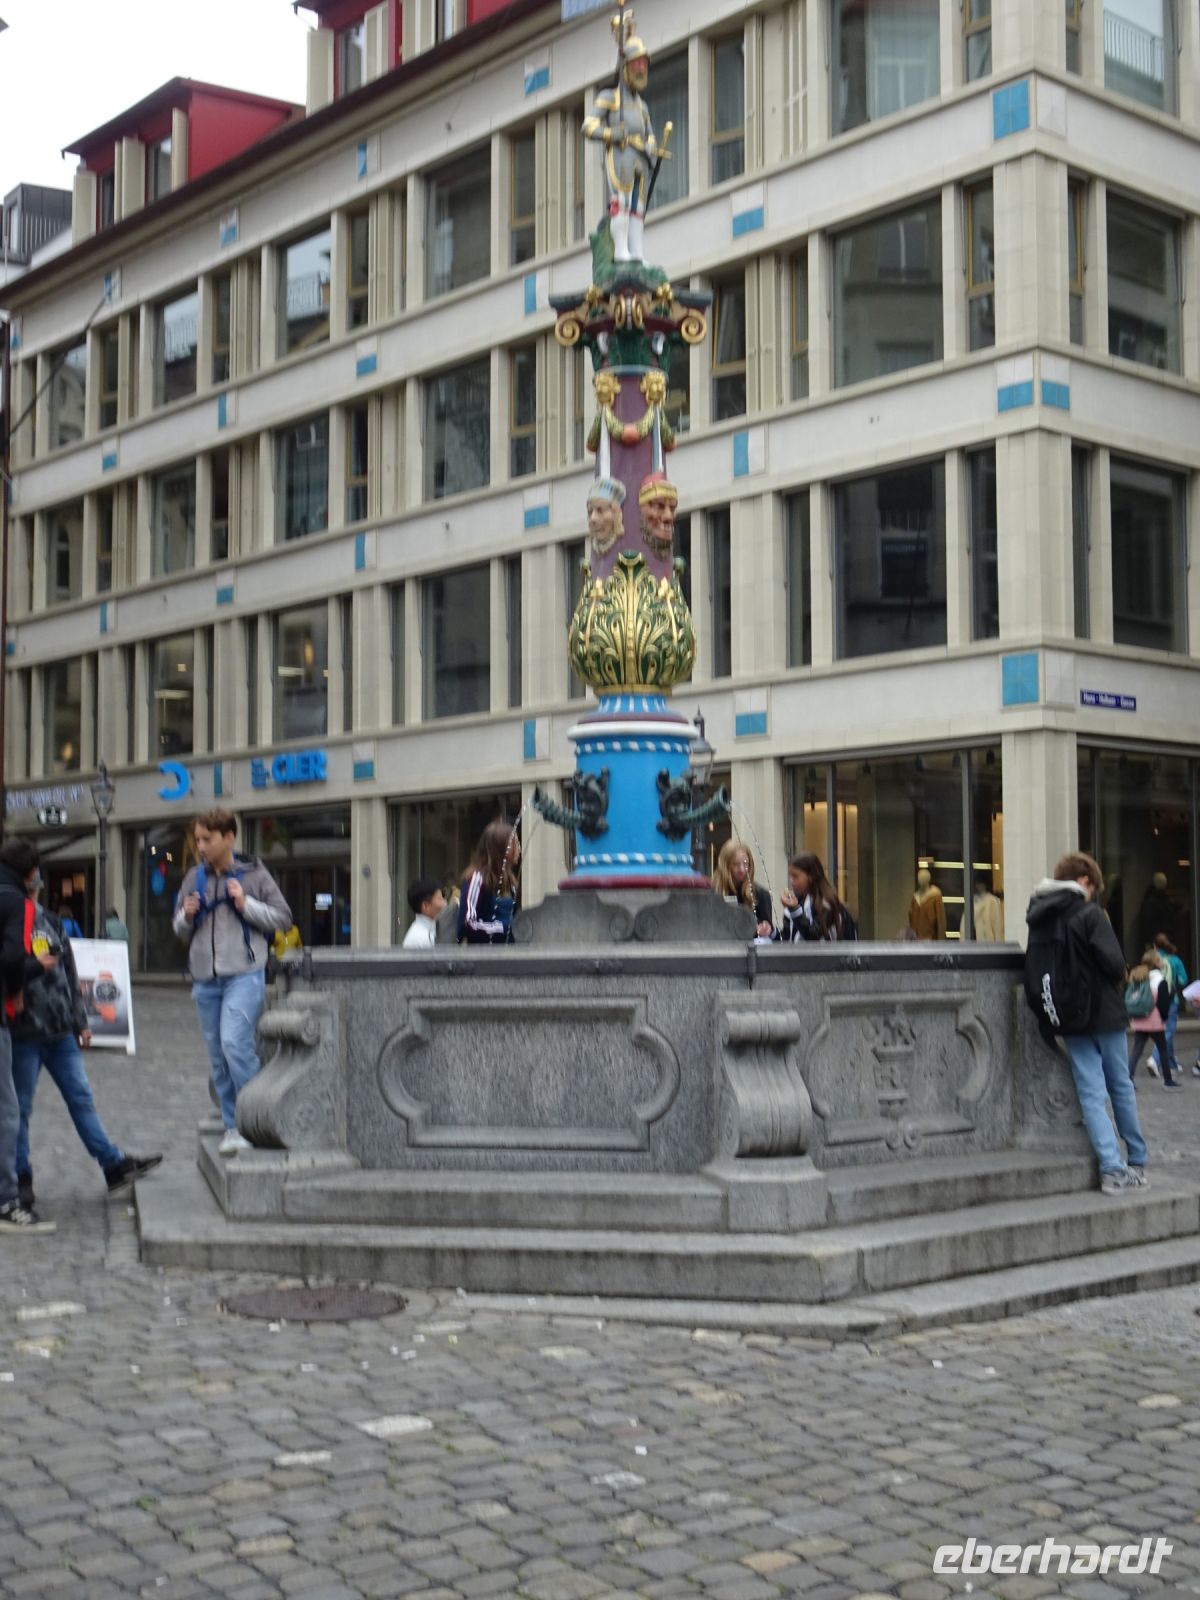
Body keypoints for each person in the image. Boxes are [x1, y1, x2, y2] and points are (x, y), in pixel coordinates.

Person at [11, 874, 161, 1205]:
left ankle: (113, 1165)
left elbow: (70, 973)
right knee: (19, 1109)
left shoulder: (51, 920)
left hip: (61, 1030)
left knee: (81, 1098)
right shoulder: (11, 921)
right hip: (25, 1031)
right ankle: (21, 1176)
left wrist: (81, 1022)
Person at [1025, 851, 1148, 1194]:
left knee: (1091, 1093)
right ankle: (1136, 1161)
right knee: (1120, 1086)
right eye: (1093, 886)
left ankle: (1111, 1169)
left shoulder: (1039, 917)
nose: (1093, 893)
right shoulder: (1090, 914)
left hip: (1068, 1018)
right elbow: (1113, 963)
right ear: (1083, 882)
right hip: (1104, 1016)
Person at [173, 809, 291, 1157]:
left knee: (235, 1045)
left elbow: (283, 918)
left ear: (228, 838)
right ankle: (232, 1125)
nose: (200, 846)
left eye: (206, 839)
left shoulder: (254, 873)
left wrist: (246, 903)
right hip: (205, 978)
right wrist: (187, 916)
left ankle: (255, 1121)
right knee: (218, 1058)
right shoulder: (194, 877)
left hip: (243, 973)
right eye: (197, 839)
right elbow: (179, 929)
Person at [0, 838, 57, 1231]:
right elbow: (10, 957)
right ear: (31, 873)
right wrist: (27, 979)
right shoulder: (16, 901)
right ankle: (6, 1200)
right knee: (7, 1111)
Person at [582, 22, 660, 264]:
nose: (641, 69)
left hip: (639, 162)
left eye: (643, 64)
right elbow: (589, 126)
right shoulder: (610, 98)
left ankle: (637, 252)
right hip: (621, 158)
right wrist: (613, 134)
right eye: (636, 63)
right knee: (623, 203)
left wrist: (651, 147)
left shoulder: (642, 106)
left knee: (638, 208)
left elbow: (650, 134)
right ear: (625, 67)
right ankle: (621, 250)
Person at [457, 823, 520, 945]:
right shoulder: (476, 879)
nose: (519, 849)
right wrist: (504, 928)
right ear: (503, 847)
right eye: (515, 843)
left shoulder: (510, 882)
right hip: (483, 956)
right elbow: (468, 923)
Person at [1127, 947, 1177, 1087]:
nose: (1162, 962)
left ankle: (1129, 1077)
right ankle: (1168, 1080)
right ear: (1156, 962)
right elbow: (1163, 1004)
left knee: (1137, 1050)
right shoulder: (1160, 980)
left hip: (1139, 1019)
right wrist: (1164, 1017)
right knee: (1162, 1048)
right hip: (1155, 1021)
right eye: (1160, 959)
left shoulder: (1140, 977)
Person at [779, 853, 856, 942]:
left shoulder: (827, 902)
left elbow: (813, 936)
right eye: (790, 876)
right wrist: (771, 932)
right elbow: (787, 935)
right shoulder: (800, 899)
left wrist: (795, 910)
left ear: (811, 876)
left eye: (795, 876)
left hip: (834, 954)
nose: (791, 881)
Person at [712, 840, 775, 940]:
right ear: (726, 865)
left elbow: (768, 928)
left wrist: (765, 928)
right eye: (736, 864)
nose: (742, 869)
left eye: (745, 864)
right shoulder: (712, 892)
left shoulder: (760, 894)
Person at [1151, 933, 1188, 1083]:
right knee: (1169, 1030)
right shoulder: (1175, 960)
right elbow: (1183, 980)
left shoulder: (1151, 958)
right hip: (1171, 999)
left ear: (1155, 946)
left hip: (1154, 999)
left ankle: (1171, 1062)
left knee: (1165, 1029)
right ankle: (1154, 1058)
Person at [403, 878, 446, 950]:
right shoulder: (420, 938)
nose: (445, 903)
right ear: (425, 906)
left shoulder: (430, 931)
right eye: (440, 898)